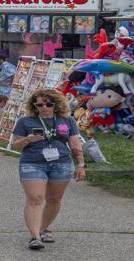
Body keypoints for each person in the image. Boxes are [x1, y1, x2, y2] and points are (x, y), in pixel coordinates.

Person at [10, 88, 85, 250]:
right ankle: (35, 237)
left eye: (48, 104)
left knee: (54, 199)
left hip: (61, 163)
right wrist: (28, 139)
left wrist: (80, 164)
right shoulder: (25, 121)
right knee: (35, 198)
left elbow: (75, 143)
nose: (44, 107)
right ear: (34, 105)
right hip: (33, 162)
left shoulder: (67, 120)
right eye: (39, 104)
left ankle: (43, 228)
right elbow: (15, 145)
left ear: (56, 104)